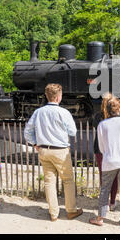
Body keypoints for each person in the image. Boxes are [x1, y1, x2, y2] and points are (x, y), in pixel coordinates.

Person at [24, 83, 82, 222]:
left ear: (47, 96)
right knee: (67, 180)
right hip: (60, 151)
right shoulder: (64, 112)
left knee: (49, 182)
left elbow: (27, 132)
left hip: (44, 150)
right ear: (58, 97)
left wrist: (35, 144)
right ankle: (71, 210)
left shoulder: (38, 112)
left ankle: (53, 213)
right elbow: (73, 132)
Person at [89, 97, 120, 227]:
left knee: (105, 189)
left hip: (109, 161)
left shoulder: (102, 124)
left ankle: (100, 218)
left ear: (107, 110)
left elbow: (102, 148)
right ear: (119, 109)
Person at [93, 92, 119, 212]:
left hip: (99, 150)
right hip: (113, 150)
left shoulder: (98, 117)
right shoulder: (117, 117)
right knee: (114, 177)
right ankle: (112, 202)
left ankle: (105, 203)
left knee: (104, 177)